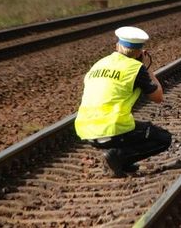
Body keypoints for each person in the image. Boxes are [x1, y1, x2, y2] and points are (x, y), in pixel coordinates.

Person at [74, 26, 172, 177]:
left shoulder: (99, 64)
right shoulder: (135, 68)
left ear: (117, 46)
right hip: (112, 129)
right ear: (140, 52)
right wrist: (146, 68)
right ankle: (118, 157)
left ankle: (122, 163)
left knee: (135, 127)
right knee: (163, 138)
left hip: (85, 130)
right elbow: (158, 97)